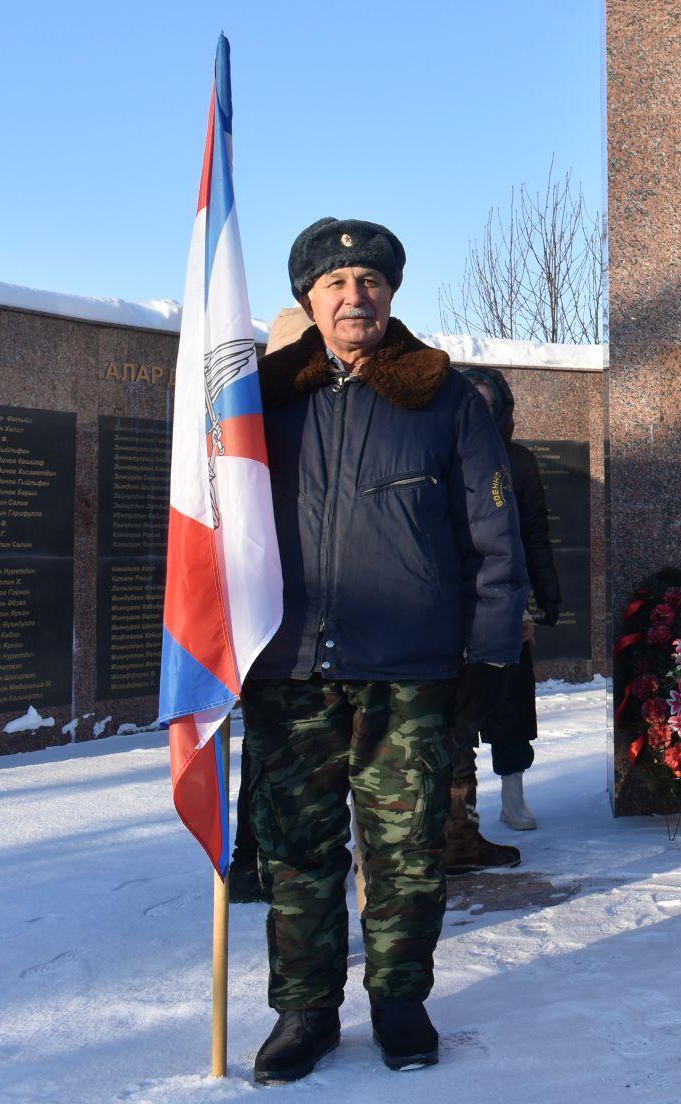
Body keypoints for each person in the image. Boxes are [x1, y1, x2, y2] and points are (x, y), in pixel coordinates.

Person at [242, 217, 528, 1084]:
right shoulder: (261, 403)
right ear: (308, 301)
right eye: (335, 284)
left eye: (369, 282)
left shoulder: (445, 401)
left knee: (404, 852)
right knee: (294, 848)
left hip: (409, 671)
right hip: (290, 667)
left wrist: (487, 658)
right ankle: (305, 1011)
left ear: (391, 295)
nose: (353, 296)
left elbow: (495, 542)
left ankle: (401, 1001)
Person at [453, 367, 563, 839]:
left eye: (488, 402)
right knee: (457, 708)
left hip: (507, 599)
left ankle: (513, 795)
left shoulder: (519, 461)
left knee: (512, 702)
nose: (481, 410)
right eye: (471, 401)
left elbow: (535, 531)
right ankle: (460, 811)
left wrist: (547, 587)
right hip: (455, 601)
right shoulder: (444, 452)